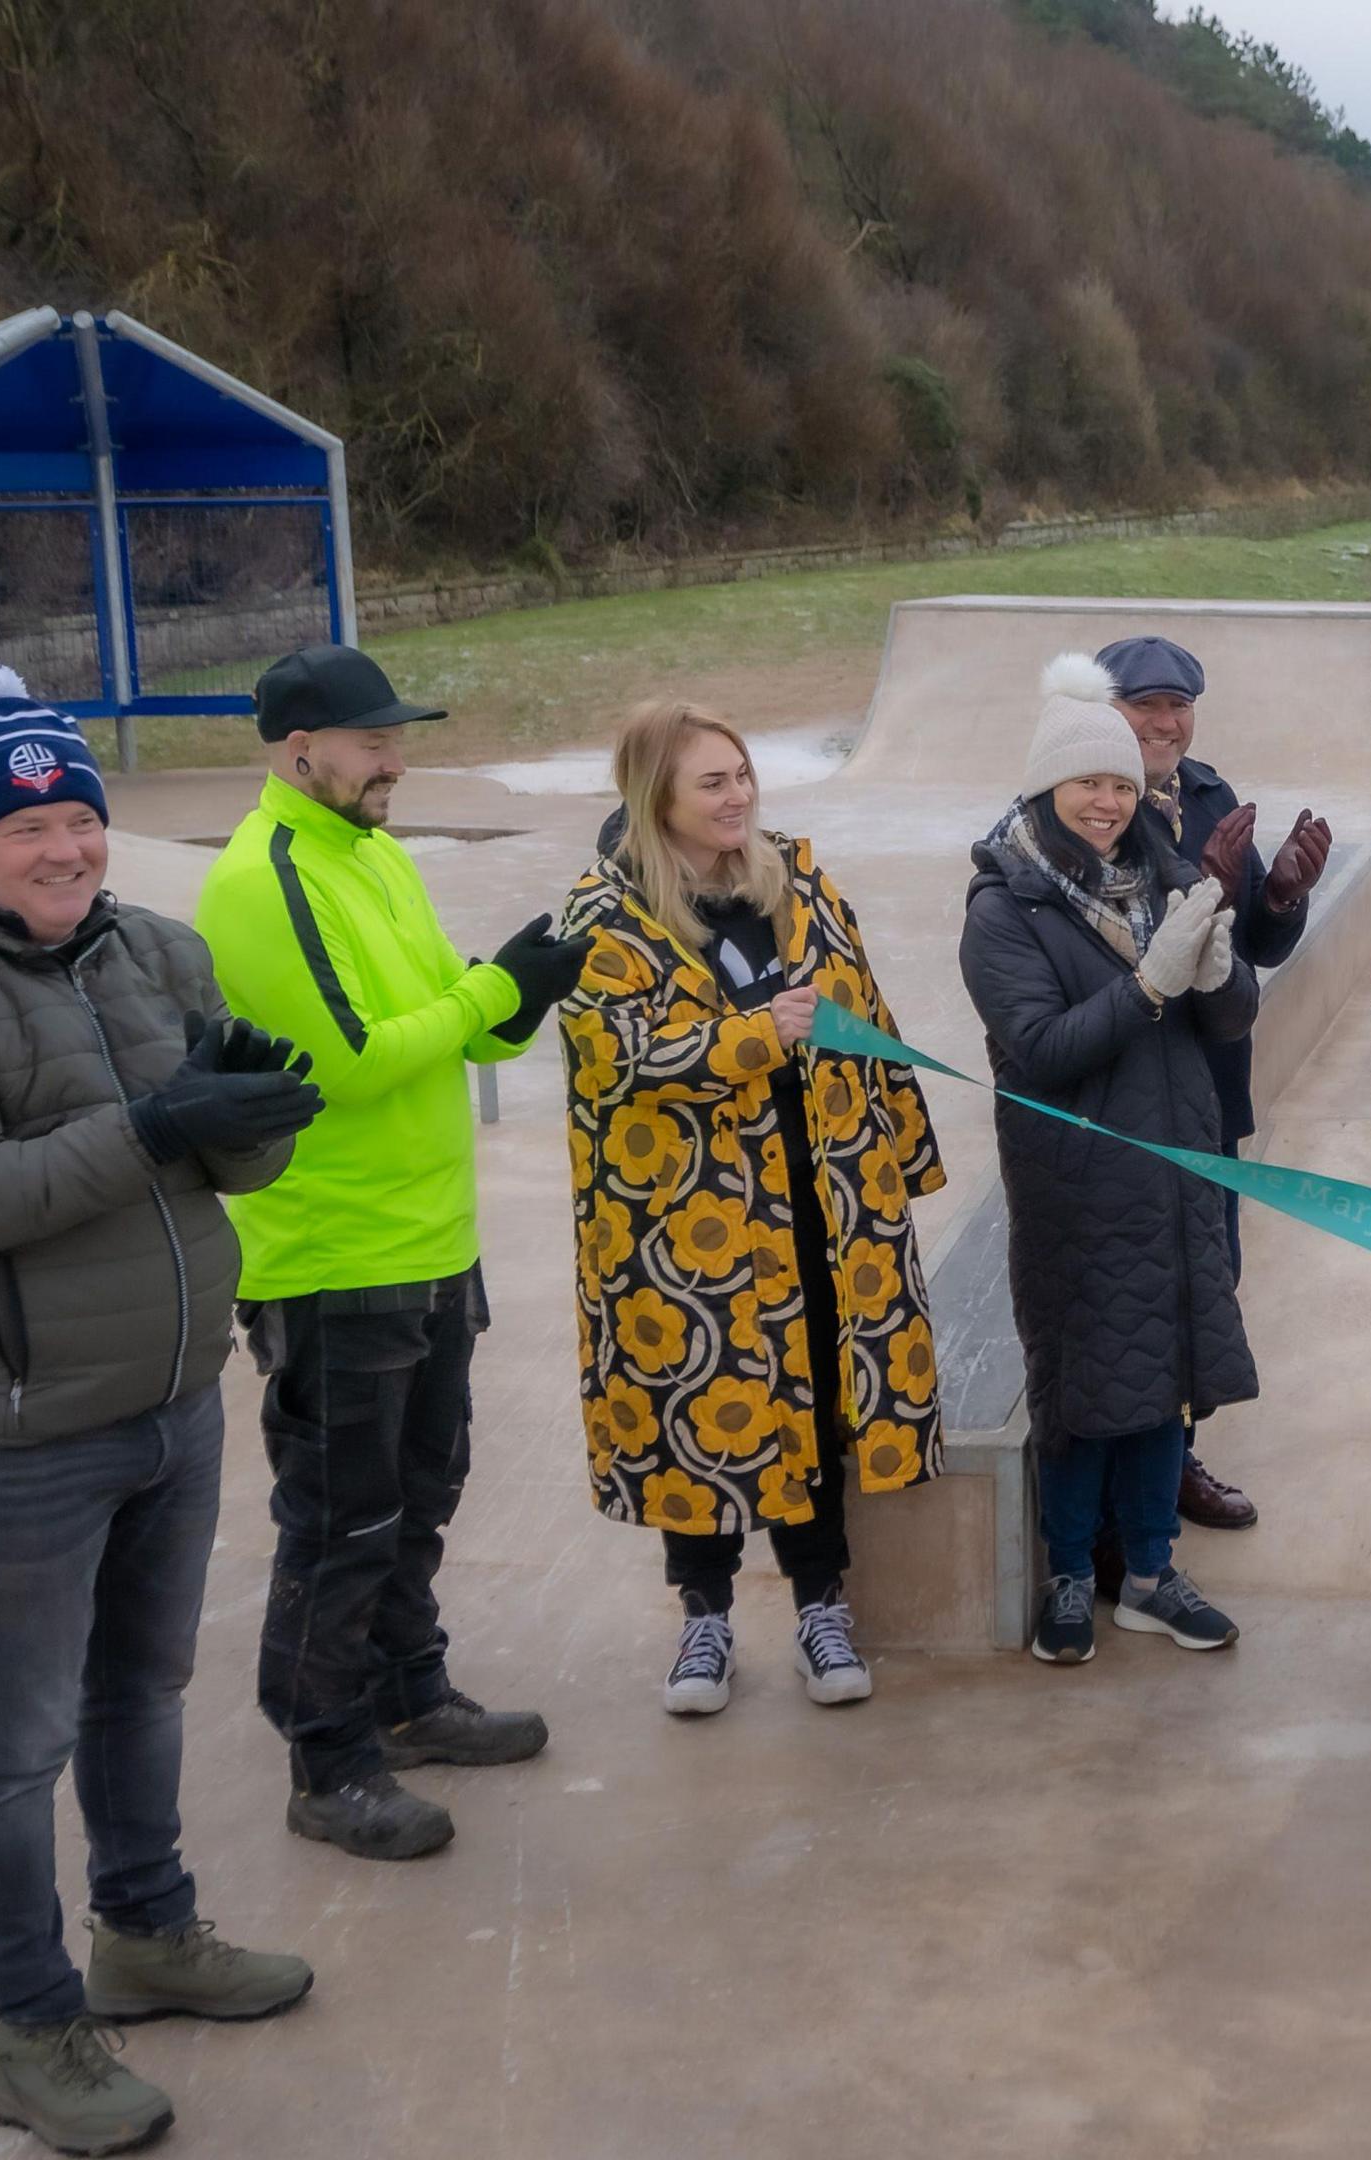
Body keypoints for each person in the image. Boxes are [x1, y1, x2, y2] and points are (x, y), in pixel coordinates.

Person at [0, 685, 325, 2155]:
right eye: (31, 824)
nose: (67, 850)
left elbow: (224, 1175)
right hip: (15, 1428)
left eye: (83, 820)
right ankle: (30, 2026)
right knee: (14, 1744)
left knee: (145, 1694)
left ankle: (148, 1932)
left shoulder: (153, 949)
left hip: (173, 1400)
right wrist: (161, 1126)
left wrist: (248, 1117)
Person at [196, 645, 581, 1861]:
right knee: (340, 1519)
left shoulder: (377, 859)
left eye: (396, 738)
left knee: (423, 1489)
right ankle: (329, 1757)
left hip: (427, 1241)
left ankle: (411, 1693)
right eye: (373, 743)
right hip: (332, 1260)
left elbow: (456, 1024)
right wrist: (486, 999)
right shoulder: (266, 883)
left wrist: (520, 986)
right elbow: (353, 1057)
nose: (395, 761)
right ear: (300, 751)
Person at [553, 702, 949, 1713]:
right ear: (658, 800)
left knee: (813, 1386)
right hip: (689, 1224)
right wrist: (752, 1036)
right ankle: (706, 1619)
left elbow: (869, 1008)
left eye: (742, 777)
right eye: (711, 783)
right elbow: (614, 1059)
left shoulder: (799, 883)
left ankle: (822, 1604)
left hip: (820, 1193)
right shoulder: (603, 915)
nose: (737, 798)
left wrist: (901, 1151)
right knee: (702, 1402)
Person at [965, 662, 1259, 1663]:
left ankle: (1150, 1574)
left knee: (1165, 1382)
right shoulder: (1007, 907)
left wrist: (1216, 972)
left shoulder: (1164, 868)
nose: (1108, 802)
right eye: (1090, 783)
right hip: (1078, 1188)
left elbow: (1226, 1016)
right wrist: (1150, 981)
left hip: (1177, 1172)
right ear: (1050, 787)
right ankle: (1066, 1579)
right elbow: (1042, 1051)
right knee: (1083, 1391)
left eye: (1124, 784)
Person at [1084, 633, 1331, 1534]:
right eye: (1142, 705)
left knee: (1206, 1280)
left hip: (1211, 1092)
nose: (1164, 722)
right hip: (1124, 1092)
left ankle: (1177, 1461)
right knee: (1130, 1296)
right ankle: (1120, 1494)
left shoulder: (1210, 796)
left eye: (1177, 705)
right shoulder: (1087, 807)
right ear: (1102, 713)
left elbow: (1257, 955)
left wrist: (1280, 899)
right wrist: (1198, 900)